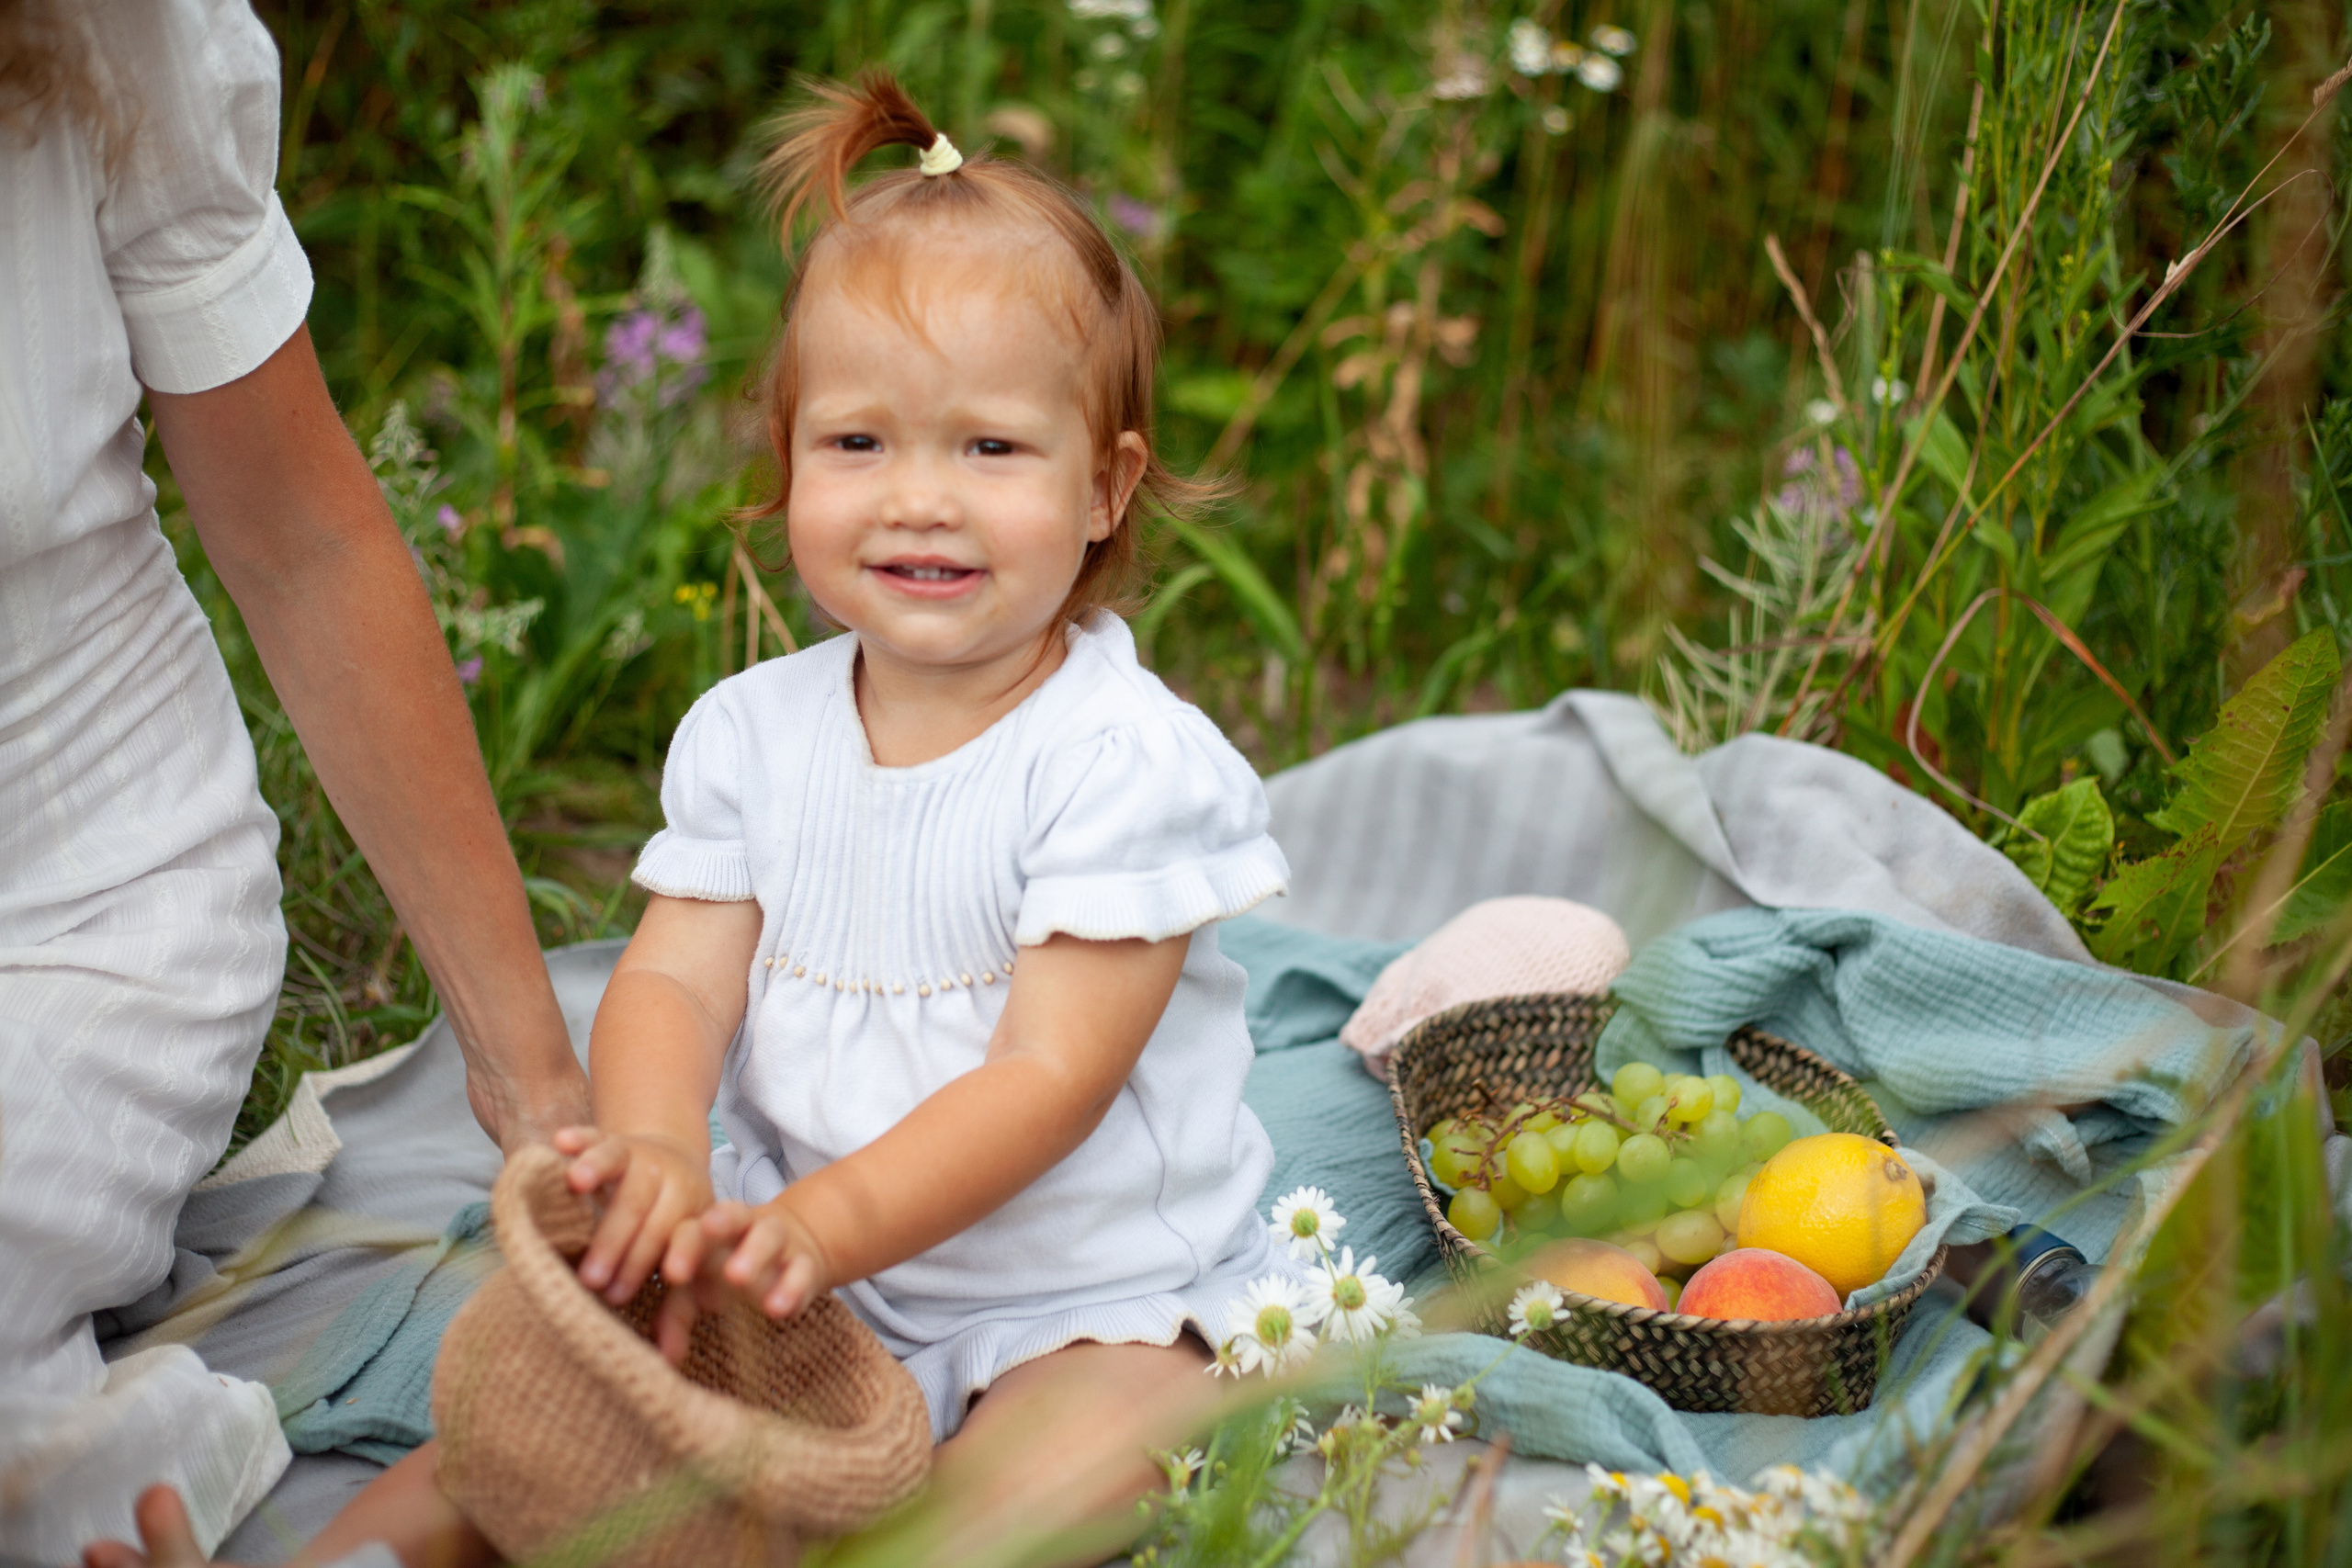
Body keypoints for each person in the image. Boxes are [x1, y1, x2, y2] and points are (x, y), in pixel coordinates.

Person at [85, 68, 1290, 1568]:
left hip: (1070, 1289)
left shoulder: (1125, 763)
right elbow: (670, 974)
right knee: (526, 1443)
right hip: (787, 1270)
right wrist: (658, 1150)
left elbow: (1045, 1079)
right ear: (784, 462)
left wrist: (820, 1231)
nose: (920, 499)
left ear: (1107, 489)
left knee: (1079, 1462)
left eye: (990, 449)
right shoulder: (754, 733)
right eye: (859, 445)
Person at [1, 0, 588, 1557]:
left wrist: (532, 1084)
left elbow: (307, 545)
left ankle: (112, 1469)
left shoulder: (99, 40)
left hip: (78, 911)